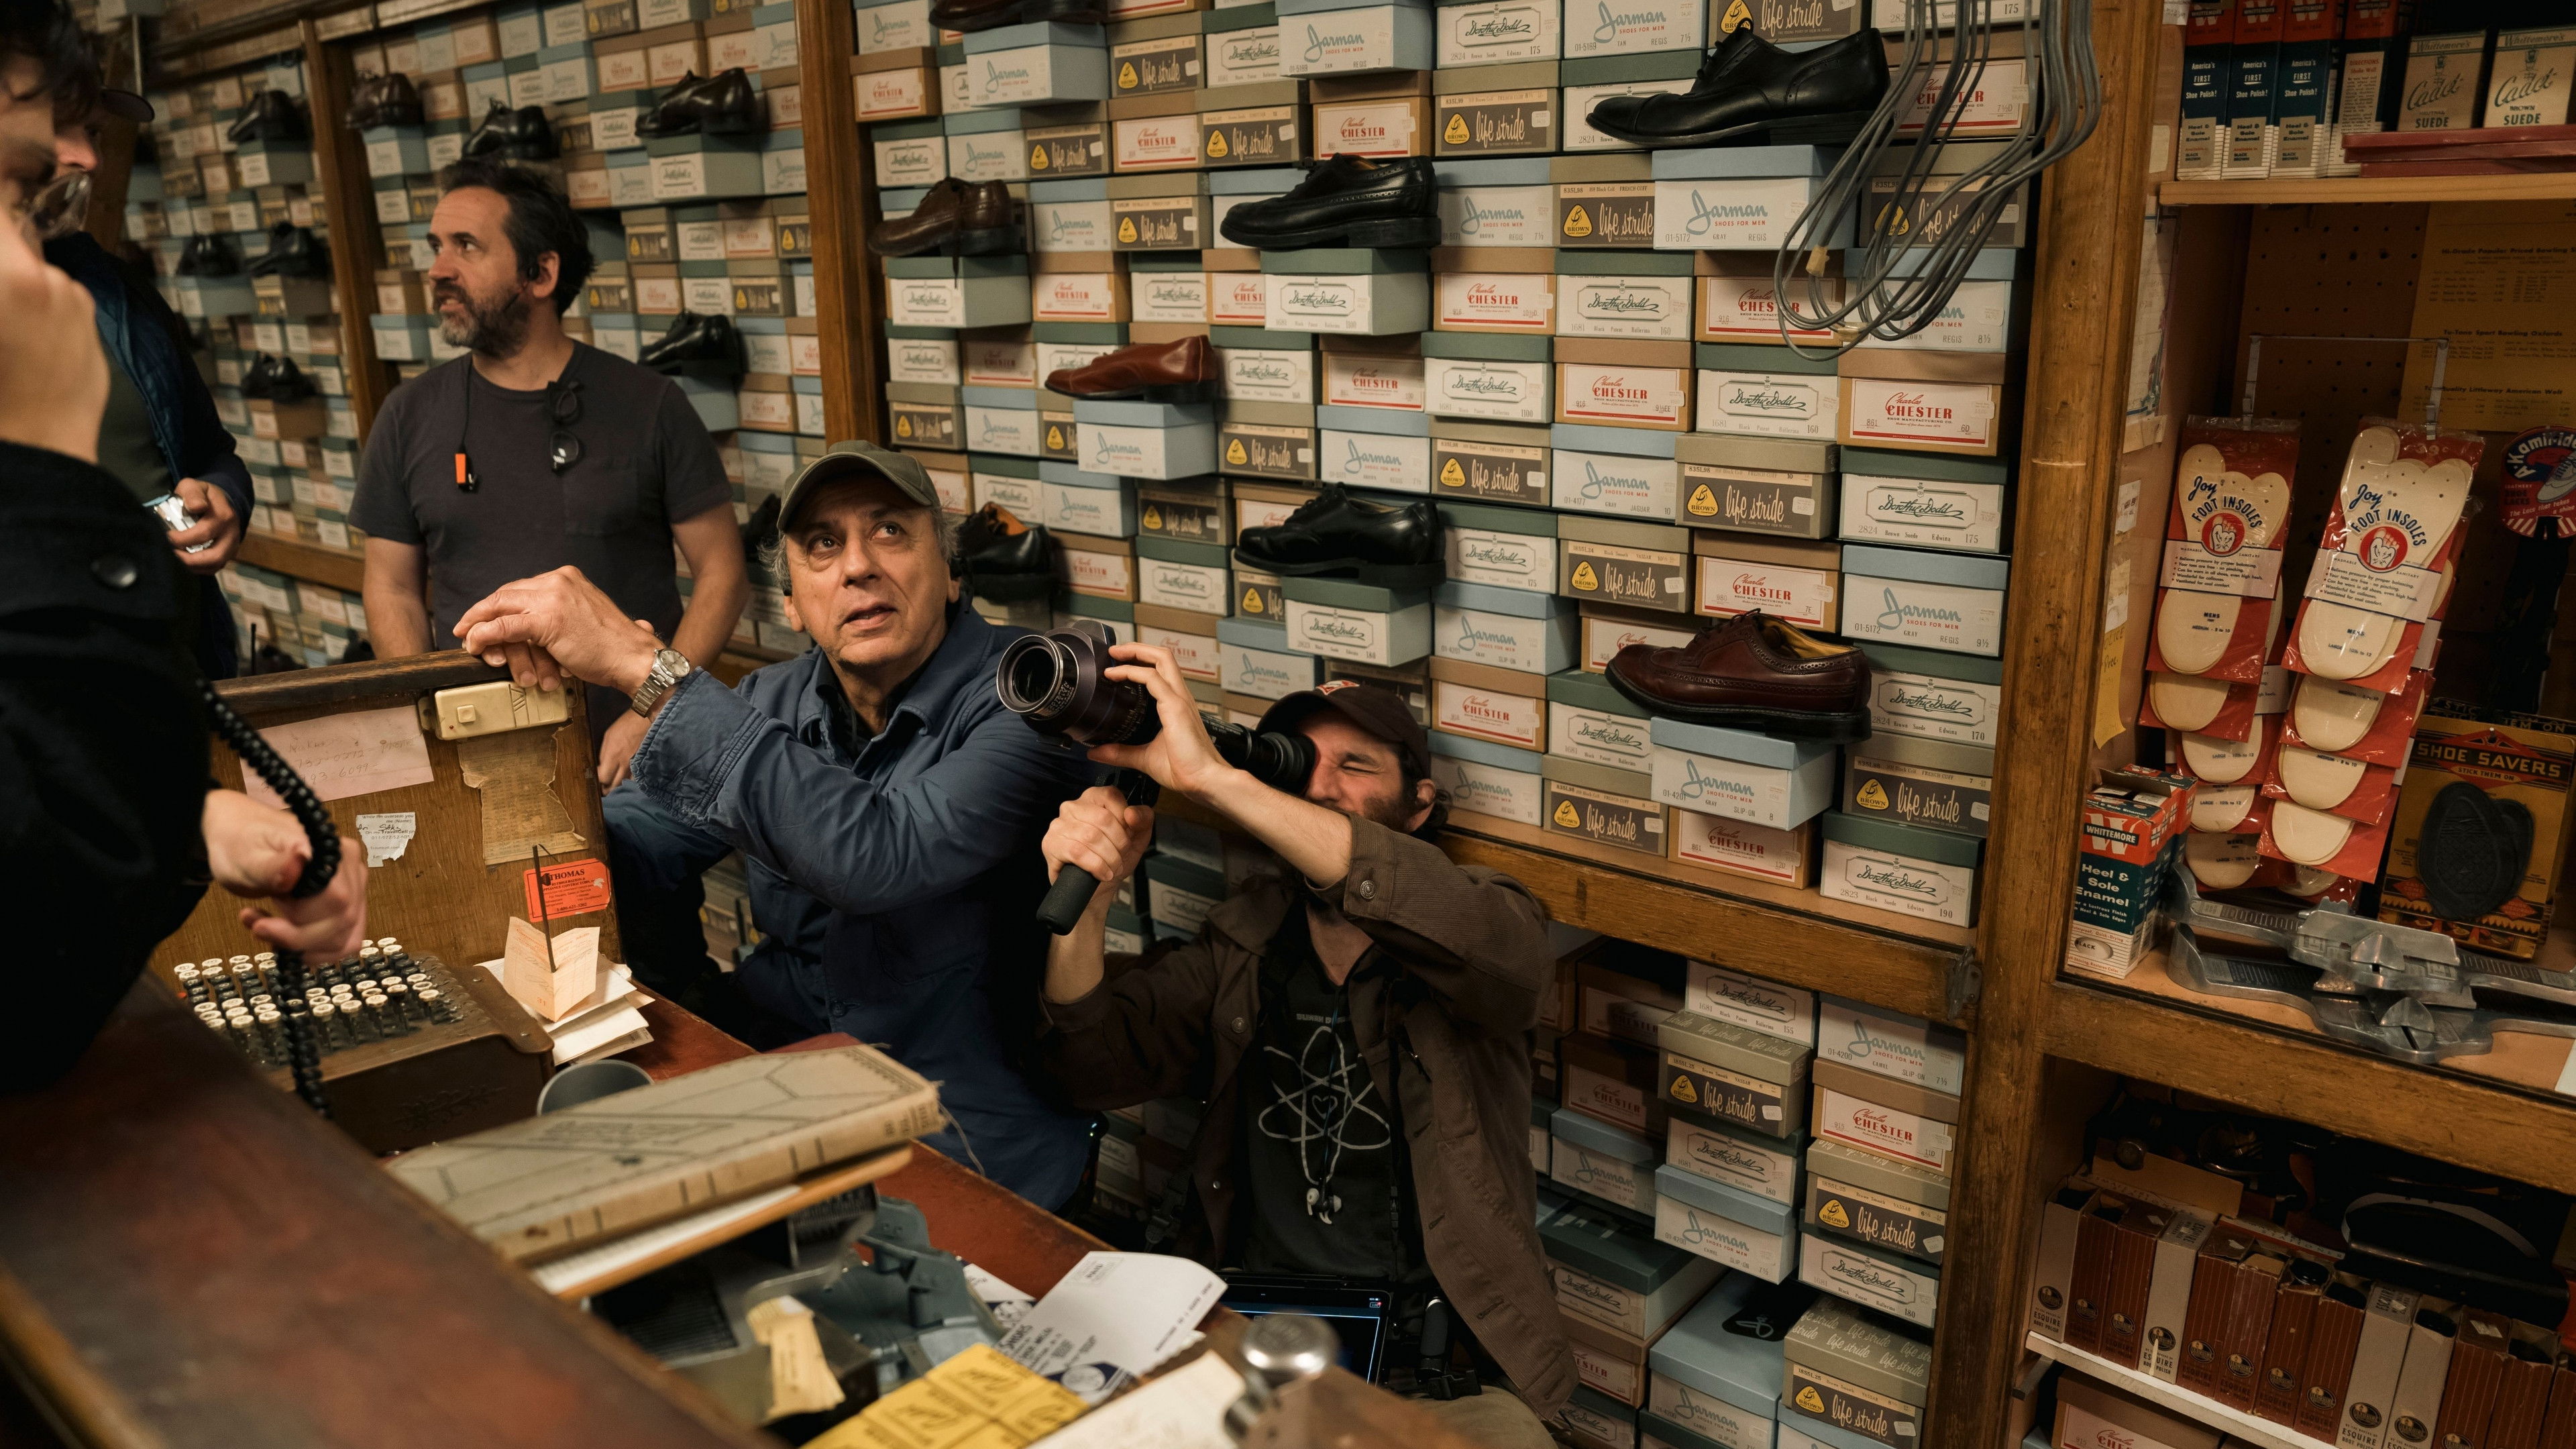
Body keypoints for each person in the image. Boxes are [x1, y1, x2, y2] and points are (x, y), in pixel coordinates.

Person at [447, 441, 1095, 1208]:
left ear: (952, 573)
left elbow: (879, 855)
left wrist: (645, 666)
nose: (858, 566)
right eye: (823, 544)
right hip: (783, 1088)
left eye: (889, 531)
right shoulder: (768, 699)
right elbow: (632, 850)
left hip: (965, 1137)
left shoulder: (1036, 698)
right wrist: (509, 777)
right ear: (791, 605)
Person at [1028, 659, 1573, 1441]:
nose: (1320, 785)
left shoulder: (1487, 926)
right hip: (1255, 1347)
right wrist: (1092, 898)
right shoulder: (1242, 941)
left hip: (1437, 1374)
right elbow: (1088, 1066)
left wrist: (1215, 781)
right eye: (1301, 763)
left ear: (1420, 806)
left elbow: (1494, 953)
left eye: (1356, 766)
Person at [0, 0, 366, 1091]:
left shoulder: (110, 295)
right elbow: (33, 978)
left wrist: (201, 816)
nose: (80, 160)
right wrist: (45, 469)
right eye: (17, 182)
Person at [350, 157, 747, 786]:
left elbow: (724, 574)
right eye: (436, 246)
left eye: (466, 246)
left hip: (635, 764)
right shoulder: (407, 415)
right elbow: (391, 587)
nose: (439, 270)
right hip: (477, 761)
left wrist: (653, 709)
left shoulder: (650, 405)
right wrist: (426, 714)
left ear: (541, 273)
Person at [46, 86, 255, 680]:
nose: (90, 159)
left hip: (177, 667)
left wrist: (225, 499)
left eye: (92, 131)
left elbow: (211, 451)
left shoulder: (120, 292)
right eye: (60, 127)